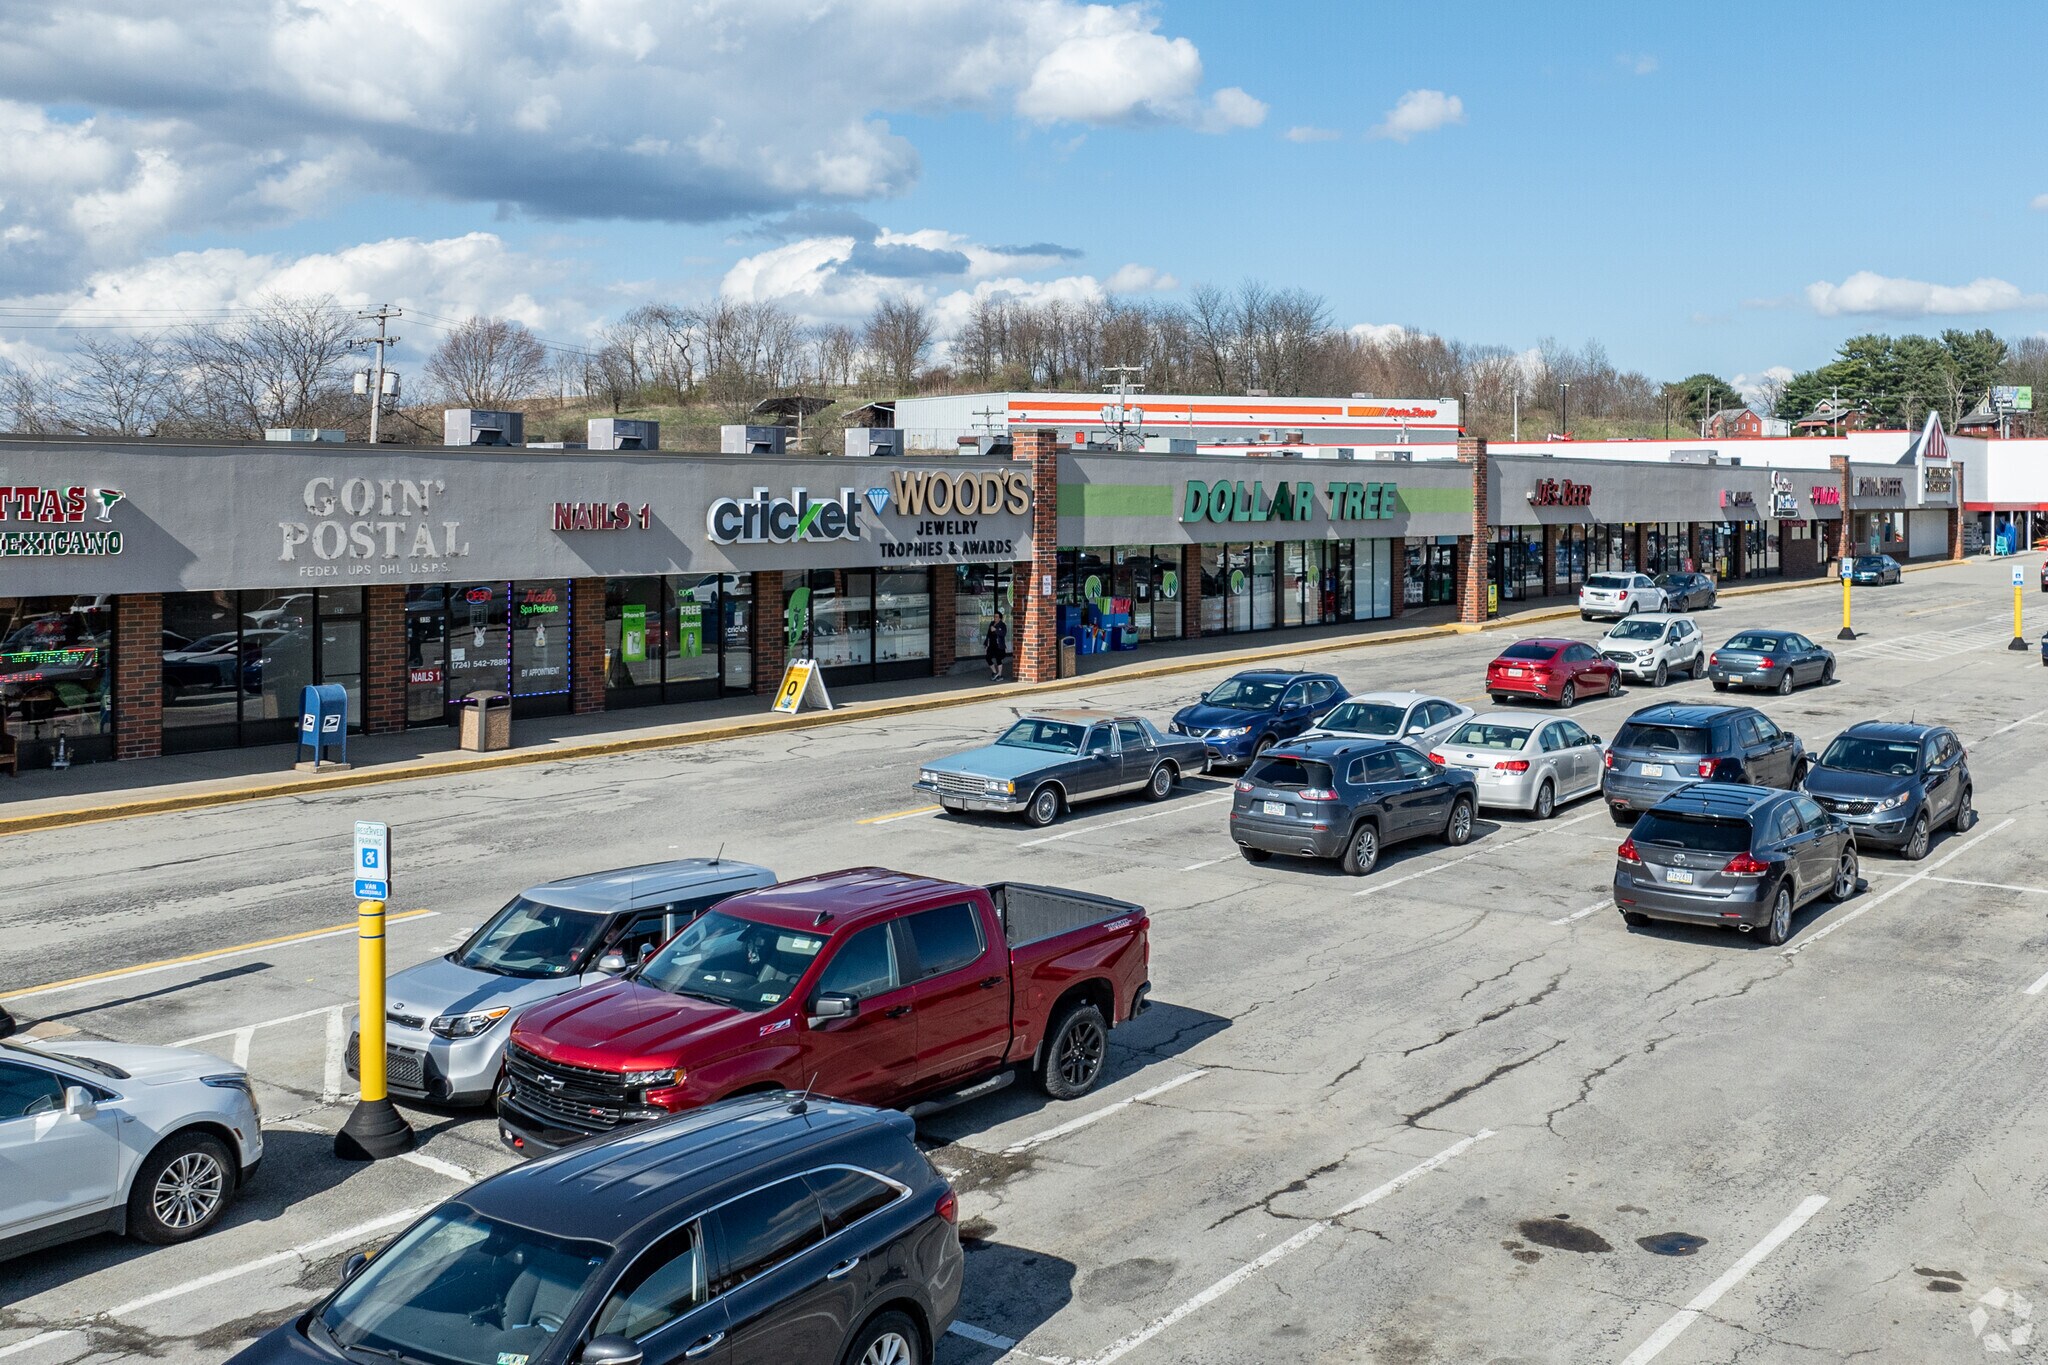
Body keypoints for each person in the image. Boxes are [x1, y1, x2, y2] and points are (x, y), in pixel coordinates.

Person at [985, 610, 1010, 681]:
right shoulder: (992, 623)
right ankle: (994, 672)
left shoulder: (1002, 625)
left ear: (1000, 618)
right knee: (988, 657)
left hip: (999, 645)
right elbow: (988, 635)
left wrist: (996, 630)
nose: (995, 618)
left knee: (998, 659)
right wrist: (986, 644)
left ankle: (1000, 675)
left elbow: (1003, 634)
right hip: (991, 644)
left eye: (996, 617)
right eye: (994, 617)